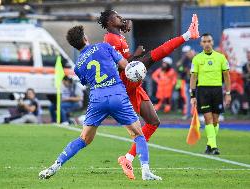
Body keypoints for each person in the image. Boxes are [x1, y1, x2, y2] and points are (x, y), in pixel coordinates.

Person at [39, 25, 162, 181]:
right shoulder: (104, 47)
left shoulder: (78, 67)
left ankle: (55, 166)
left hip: (97, 99)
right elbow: (126, 66)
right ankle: (145, 170)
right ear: (85, 38)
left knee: (84, 139)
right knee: (138, 134)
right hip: (117, 94)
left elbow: (87, 81)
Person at [98, 9, 199, 178]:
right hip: (123, 82)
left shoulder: (119, 36)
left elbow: (123, 58)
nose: (121, 18)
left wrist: (129, 46)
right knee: (153, 55)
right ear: (109, 22)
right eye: (116, 16)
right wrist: (134, 57)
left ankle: (129, 159)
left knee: (153, 122)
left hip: (132, 85)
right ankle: (189, 34)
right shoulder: (109, 39)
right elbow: (112, 66)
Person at [190, 33, 231, 155]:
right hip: (203, 91)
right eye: (204, 41)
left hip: (217, 90)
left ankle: (209, 144)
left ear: (212, 42)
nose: (207, 44)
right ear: (201, 44)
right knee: (208, 118)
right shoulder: (197, 59)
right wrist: (192, 96)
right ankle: (214, 147)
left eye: (209, 41)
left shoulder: (221, 58)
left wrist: (228, 93)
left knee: (215, 120)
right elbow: (193, 77)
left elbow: (227, 76)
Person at [176, 45, 196, 119]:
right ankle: (188, 114)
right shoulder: (185, 60)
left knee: (195, 99)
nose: (186, 54)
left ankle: (195, 115)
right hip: (187, 82)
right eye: (184, 53)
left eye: (187, 52)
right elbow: (180, 68)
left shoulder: (196, 59)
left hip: (195, 83)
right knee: (188, 99)